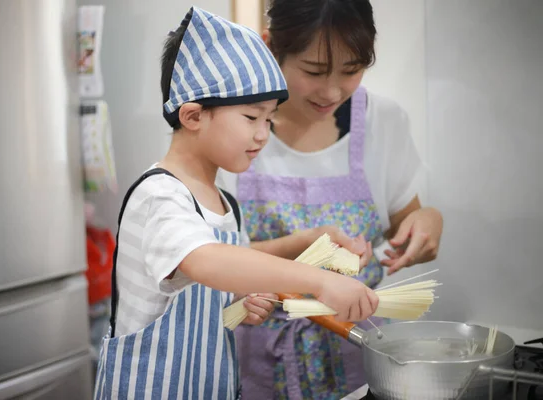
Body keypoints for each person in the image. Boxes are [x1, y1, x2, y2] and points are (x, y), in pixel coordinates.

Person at [93, 6, 379, 400]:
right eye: (250, 117)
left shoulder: (225, 203)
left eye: (269, 119)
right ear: (193, 116)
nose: (263, 134)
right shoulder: (160, 195)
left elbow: (231, 264)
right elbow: (206, 261)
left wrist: (304, 248)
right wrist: (320, 280)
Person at [217, 0, 444, 398]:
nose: (332, 91)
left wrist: (428, 222)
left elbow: (405, 221)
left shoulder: (382, 121)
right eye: (314, 71)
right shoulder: (234, 128)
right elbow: (209, 260)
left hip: (359, 350)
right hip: (258, 361)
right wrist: (309, 247)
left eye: (352, 70)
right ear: (271, 47)